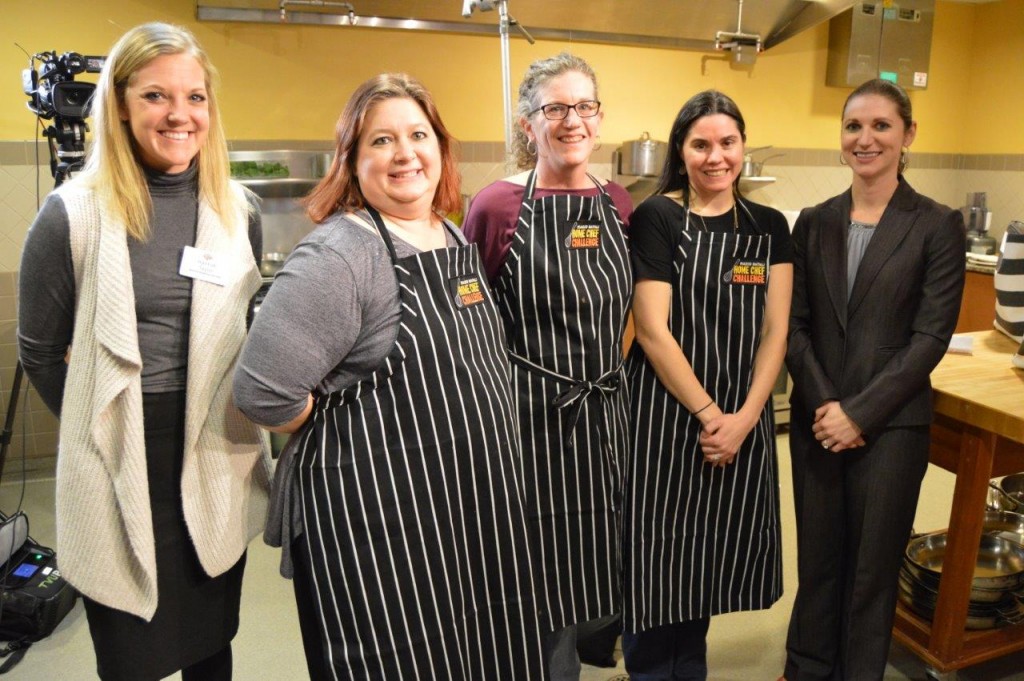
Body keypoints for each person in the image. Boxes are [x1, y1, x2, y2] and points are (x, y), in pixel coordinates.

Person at [232, 73, 545, 680]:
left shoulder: (447, 233)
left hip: (463, 516)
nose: (405, 154)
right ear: (351, 159)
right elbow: (261, 392)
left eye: (418, 135)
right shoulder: (341, 255)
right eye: (381, 140)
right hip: (380, 529)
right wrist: (337, 428)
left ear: (440, 148)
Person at [16, 22, 270, 681]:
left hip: (213, 449)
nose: (180, 114)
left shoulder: (237, 209)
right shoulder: (72, 215)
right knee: (132, 657)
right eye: (157, 96)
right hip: (119, 454)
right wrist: (97, 425)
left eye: (196, 96)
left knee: (212, 645)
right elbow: (40, 351)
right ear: (120, 104)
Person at [782, 79, 965, 680]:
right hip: (817, 421)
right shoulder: (812, 222)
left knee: (870, 570)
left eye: (881, 126)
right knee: (818, 563)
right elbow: (795, 325)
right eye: (854, 127)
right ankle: (808, 668)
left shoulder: (936, 225)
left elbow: (929, 339)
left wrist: (859, 413)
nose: (865, 139)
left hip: (892, 428)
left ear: (908, 135)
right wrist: (826, 406)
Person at [462, 52, 633, 680]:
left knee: (600, 549)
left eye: (584, 107)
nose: (572, 121)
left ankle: (593, 642)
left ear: (599, 117)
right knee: (537, 567)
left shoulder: (618, 202)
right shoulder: (497, 205)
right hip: (528, 423)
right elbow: (468, 318)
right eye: (555, 108)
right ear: (528, 123)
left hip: (604, 415)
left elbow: (631, 307)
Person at [622, 90, 793, 680]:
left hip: (742, 422)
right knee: (655, 563)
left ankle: (688, 671)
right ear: (681, 150)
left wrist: (746, 418)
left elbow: (776, 331)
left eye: (727, 142)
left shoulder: (769, 227)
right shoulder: (658, 217)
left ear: (743, 147)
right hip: (666, 418)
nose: (715, 156)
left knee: (704, 566)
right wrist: (709, 413)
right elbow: (652, 329)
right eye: (701, 144)